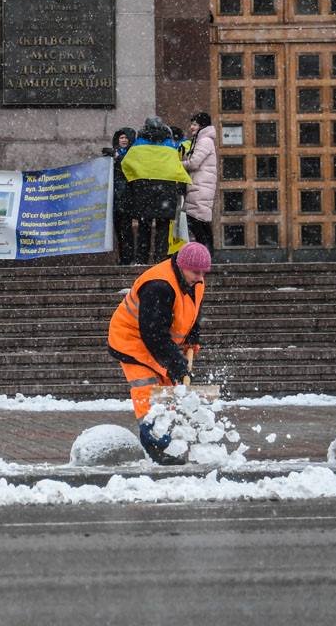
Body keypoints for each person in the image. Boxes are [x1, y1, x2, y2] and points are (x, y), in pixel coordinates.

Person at [107, 241, 211, 465]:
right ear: (182, 266)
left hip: (159, 342)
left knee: (168, 393)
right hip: (131, 341)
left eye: (204, 272)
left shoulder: (195, 281)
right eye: (196, 272)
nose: (200, 277)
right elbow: (153, 333)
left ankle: (174, 440)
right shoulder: (159, 285)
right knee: (149, 393)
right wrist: (177, 363)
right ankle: (156, 445)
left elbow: (193, 312)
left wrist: (193, 337)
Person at [121, 117, 190, 265]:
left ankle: (141, 260)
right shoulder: (169, 145)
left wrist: (136, 179)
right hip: (166, 190)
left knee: (144, 227)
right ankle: (160, 260)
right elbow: (176, 166)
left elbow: (125, 164)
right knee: (163, 227)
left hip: (144, 189)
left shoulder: (138, 144)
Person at [182, 112, 217, 253]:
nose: (191, 127)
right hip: (201, 185)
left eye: (195, 124)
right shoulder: (202, 139)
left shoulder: (204, 141)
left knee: (195, 220)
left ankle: (206, 252)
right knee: (201, 221)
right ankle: (208, 253)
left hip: (200, 185)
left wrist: (177, 164)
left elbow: (194, 163)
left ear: (202, 125)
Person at [106, 128, 136, 265]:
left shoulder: (132, 153)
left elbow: (130, 167)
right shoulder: (114, 156)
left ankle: (128, 258)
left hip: (127, 198)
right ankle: (123, 257)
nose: (123, 140)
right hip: (115, 198)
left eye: (125, 138)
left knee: (126, 229)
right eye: (121, 138)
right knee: (119, 230)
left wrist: (118, 157)